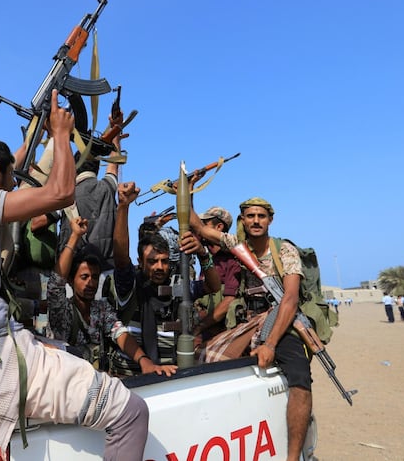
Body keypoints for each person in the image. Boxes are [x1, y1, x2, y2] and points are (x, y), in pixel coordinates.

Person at [0, 90, 148, 461]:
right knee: (131, 412)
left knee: (65, 353)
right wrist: (60, 133)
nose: (16, 183)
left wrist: (43, 132)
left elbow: (22, 164)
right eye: (9, 177)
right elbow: (60, 192)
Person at [189, 197, 311, 461]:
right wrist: (189, 190)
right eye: (250, 216)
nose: (256, 221)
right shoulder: (237, 245)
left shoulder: (284, 251)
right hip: (247, 320)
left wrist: (270, 343)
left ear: (270, 220)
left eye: (262, 216)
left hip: (281, 319)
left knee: (300, 377)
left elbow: (289, 299)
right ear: (243, 220)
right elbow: (196, 226)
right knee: (208, 358)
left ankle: (292, 456)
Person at [111, 181, 220, 375]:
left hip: (168, 376)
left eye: (164, 261)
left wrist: (203, 254)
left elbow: (213, 286)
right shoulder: (130, 285)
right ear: (140, 262)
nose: (159, 267)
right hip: (129, 378)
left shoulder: (178, 286)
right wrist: (123, 207)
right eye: (152, 261)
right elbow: (120, 257)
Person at [48, 216, 177, 376]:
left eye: (95, 277)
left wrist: (144, 360)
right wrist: (75, 236)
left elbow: (120, 333)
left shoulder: (100, 310)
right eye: (84, 277)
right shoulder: (63, 310)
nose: (90, 283)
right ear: (70, 280)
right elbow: (55, 284)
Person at [56, 107, 126, 267]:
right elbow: (114, 164)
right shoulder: (107, 187)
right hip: (107, 269)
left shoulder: (65, 196)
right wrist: (116, 130)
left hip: (74, 273)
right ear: (97, 168)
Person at [190, 207, 242, 349]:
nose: (199, 230)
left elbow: (228, 302)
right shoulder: (205, 255)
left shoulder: (233, 259)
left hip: (216, 329)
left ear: (218, 227)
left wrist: (199, 328)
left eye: (204, 224)